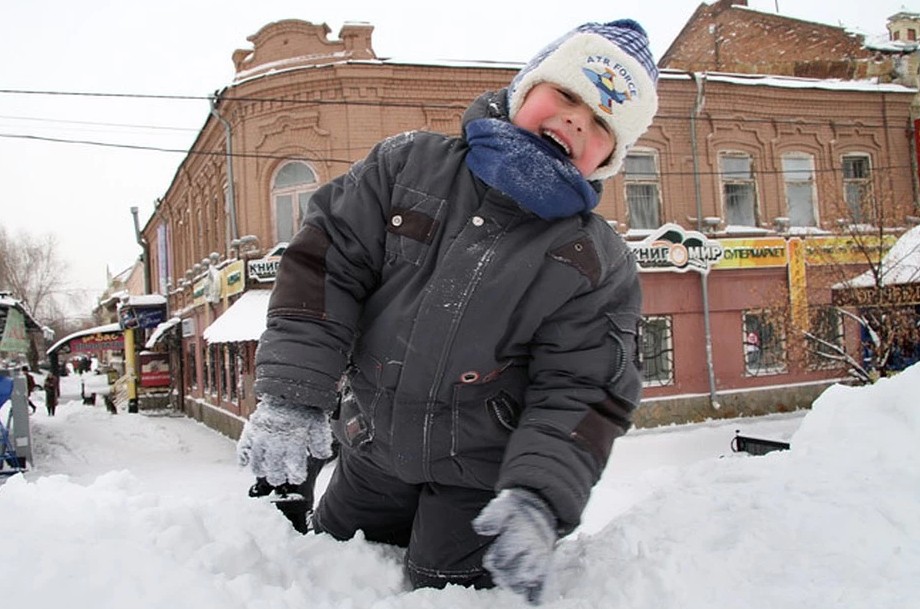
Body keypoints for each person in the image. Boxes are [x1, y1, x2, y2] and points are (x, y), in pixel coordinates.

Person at [238, 19, 658, 603]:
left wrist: (539, 496)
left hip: (478, 482)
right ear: (523, 88)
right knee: (332, 566)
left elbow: (583, 390)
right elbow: (324, 268)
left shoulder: (593, 262)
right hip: (371, 451)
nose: (574, 119)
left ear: (610, 157)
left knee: (445, 592)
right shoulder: (407, 167)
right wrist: (292, 395)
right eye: (564, 94)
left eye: (600, 123)